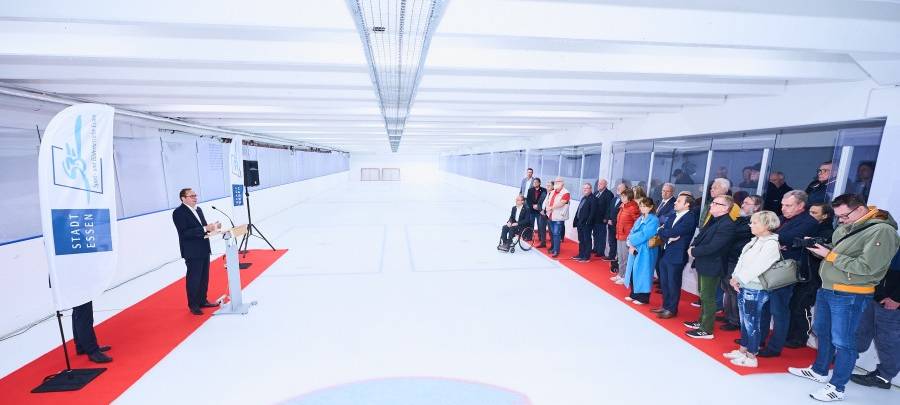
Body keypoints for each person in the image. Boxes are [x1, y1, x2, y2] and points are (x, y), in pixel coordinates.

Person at [789, 193, 900, 402]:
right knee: (823, 331)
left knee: (844, 341)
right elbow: (840, 254)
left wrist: (829, 255)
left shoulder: (882, 231)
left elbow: (868, 267)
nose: (840, 220)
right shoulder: (851, 225)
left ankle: (837, 387)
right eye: (838, 216)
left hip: (851, 293)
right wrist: (819, 249)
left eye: (844, 216)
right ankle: (820, 371)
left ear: (859, 209)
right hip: (828, 288)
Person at [758, 190, 818, 358]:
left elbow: (783, 237)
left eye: (788, 205)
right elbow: (770, 235)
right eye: (783, 205)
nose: (783, 208)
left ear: (801, 205)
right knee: (764, 307)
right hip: (770, 268)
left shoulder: (809, 222)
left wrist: (774, 239)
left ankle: (775, 347)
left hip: (786, 272)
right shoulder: (784, 218)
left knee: (779, 310)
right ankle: (759, 339)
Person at [724, 210, 782, 368]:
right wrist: (735, 277)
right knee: (744, 321)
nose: (751, 225)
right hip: (745, 285)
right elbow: (742, 261)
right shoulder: (755, 240)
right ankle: (743, 350)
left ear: (766, 225)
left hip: (756, 288)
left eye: (755, 222)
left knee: (752, 323)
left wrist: (739, 278)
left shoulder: (771, 243)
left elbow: (759, 266)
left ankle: (751, 355)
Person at [685, 194, 737, 339]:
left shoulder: (727, 225)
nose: (711, 205)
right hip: (704, 262)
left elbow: (715, 247)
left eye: (716, 203)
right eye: (712, 202)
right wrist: (693, 246)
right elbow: (701, 237)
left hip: (713, 264)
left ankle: (706, 329)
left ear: (726, 208)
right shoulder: (714, 220)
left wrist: (694, 251)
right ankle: (701, 321)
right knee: (703, 294)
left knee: (708, 297)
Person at [785, 202, 835, 348]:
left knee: (802, 306)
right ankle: (790, 334)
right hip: (800, 272)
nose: (810, 216)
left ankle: (800, 337)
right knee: (793, 304)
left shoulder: (828, 233)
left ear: (825, 216)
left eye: (815, 213)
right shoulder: (807, 227)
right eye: (810, 212)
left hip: (813, 276)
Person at [851, 249, 900, 390]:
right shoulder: (894, 241)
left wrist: (897, 299)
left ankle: (884, 377)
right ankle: (848, 358)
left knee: (888, 341)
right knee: (861, 330)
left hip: (892, 302)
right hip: (875, 295)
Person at [172, 188, 221, 315]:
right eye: (191, 196)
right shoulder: (178, 213)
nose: (195, 197)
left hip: (204, 247)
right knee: (194, 278)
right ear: (183, 198)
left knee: (204, 277)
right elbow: (184, 233)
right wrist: (205, 228)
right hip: (192, 251)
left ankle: (202, 300)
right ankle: (193, 305)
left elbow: (203, 228)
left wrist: (213, 227)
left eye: (195, 195)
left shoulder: (198, 210)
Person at [720, 195, 762, 332]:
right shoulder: (740, 220)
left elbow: (733, 234)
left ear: (756, 207)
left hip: (738, 260)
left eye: (747, 203)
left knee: (734, 289)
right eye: (743, 202)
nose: (742, 205)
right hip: (730, 257)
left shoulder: (754, 223)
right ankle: (729, 315)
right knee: (726, 288)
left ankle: (735, 320)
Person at [653, 194, 698, 318]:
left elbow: (675, 232)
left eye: (679, 201)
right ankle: (665, 306)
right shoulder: (673, 215)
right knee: (665, 282)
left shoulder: (690, 218)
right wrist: (665, 234)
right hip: (667, 251)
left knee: (673, 283)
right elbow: (662, 230)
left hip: (677, 255)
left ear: (687, 204)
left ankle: (671, 309)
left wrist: (666, 233)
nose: (675, 203)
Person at [623, 198, 660, 305]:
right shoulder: (640, 219)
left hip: (646, 251)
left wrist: (631, 240)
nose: (642, 208)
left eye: (645, 206)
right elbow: (632, 231)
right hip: (635, 248)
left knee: (644, 273)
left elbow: (645, 234)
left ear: (651, 207)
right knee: (633, 271)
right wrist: (630, 242)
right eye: (641, 206)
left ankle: (643, 297)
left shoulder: (654, 220)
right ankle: (634, 293)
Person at [611, 188, 639, 284]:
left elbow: (637, 223)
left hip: (627, 236)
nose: (621, 198)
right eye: (621, 196)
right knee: (620, 257)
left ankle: (625, 277)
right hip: (619, 234)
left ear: (629, 197)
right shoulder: (622, 206)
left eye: (624, 196)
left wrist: (631, 234)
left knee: (626, 258)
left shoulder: (633, 207)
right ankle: (621, 274)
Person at [543, 177, 570, 258]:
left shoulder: (566, 193)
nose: (557, 183)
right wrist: (547, 207)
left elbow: (562, 203)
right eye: (556, 181)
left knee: (556, 234)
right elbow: (547, 201)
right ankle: (553, 248)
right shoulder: (552, 191)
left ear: (563, 183)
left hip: (558, 217)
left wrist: (551, 207)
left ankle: (556, 251)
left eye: (559, 181)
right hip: (550, 215)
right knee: (552, 233)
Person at [603, 183, 628, 271]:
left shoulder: (625, 201)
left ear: (625, 190)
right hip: (610, 224)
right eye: (617, 188)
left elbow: (621, 215)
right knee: (611, 241)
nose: (618, 189)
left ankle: (616, 259)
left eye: (620, 188)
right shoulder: (614, 199)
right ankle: (611, 256)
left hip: (618, 225)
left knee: (618, 244)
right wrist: (607, 218)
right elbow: (609, 209)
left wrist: (613, 221)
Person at [572, 183, 598, 262]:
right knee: (581, 239)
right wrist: (576, 220)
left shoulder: (593, 199)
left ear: (591, 189)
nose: (585, 190)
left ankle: (586, 256)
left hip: (587, 224)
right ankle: (581, 254)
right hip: (580, 223)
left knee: (587, 240)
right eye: (584, 188)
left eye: (587, 188)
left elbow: (593, 212)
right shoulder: (583, 198)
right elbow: (579, 210)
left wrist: (588, 222)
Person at [592, 179, 614, 258]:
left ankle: (600, 251)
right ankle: (595, 248)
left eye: (601, 184)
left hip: (602, 219)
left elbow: (609, 207)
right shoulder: (596, 193)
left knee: (601, 235)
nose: (599, 185)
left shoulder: (609, 194)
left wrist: (606, 218)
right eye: (598, 184)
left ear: (605, 185)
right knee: (595, 234)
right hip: (594, 218)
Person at [526, 178, 548, 247]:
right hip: (532, 210)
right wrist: (532, 205)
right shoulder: (530, 190)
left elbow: (544, 199)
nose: (534, 183)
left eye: (536, 182)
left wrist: (538, 206)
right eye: (534, 182)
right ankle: (530, 236)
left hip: (540, 211)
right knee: (531, 224)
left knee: (540, 225)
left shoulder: (544, 190)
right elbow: (528, 200)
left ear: (539, 183)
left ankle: (541, 238)